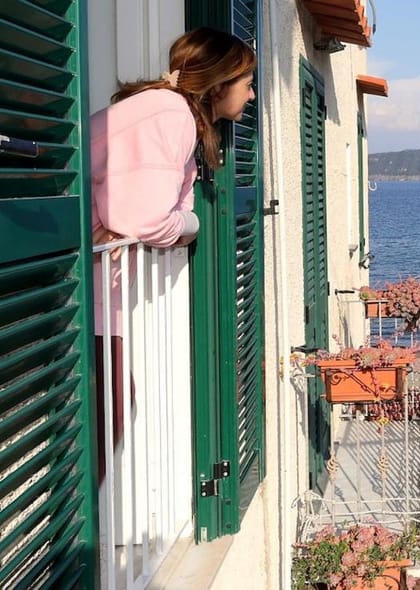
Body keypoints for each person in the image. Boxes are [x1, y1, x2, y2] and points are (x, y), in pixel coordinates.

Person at [90, 27, 257, 479]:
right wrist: (192, 223)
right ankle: (66, 547)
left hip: (92, 289)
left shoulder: (165, 109)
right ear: (219, 85)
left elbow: (130, 213)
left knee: (110, 415)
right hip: (81, 291)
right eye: (246, 83)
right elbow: (147, 221)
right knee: (108, 417)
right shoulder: (171, 115)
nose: (253, 94)